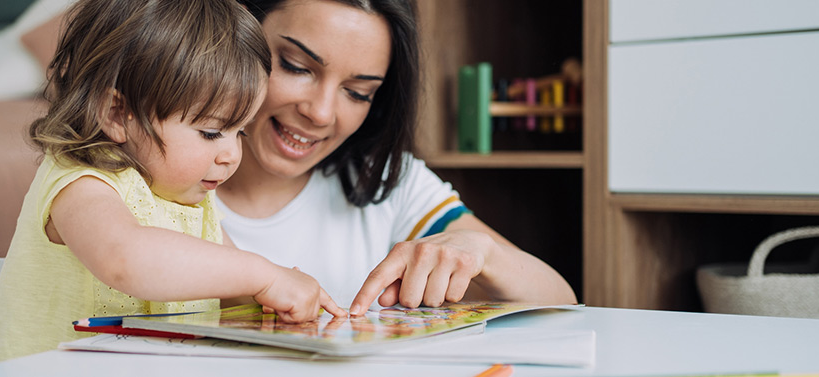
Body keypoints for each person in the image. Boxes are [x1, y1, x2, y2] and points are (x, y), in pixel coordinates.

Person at [0, 0, 344, 364]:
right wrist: (263, 276)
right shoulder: (81, 182)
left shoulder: (189, 201)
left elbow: (234, 285)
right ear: (116, 114)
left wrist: (273, 300)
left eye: (241, 133)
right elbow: (125, 258)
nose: (231, 155)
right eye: (211, 132)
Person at [217, 0, 578, 316]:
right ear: (239, 32)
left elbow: (561, 303)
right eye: (297, 67)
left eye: (358, 93)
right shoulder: (165, 176)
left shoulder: (385, 179)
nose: (322, 113)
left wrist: (485, 255)